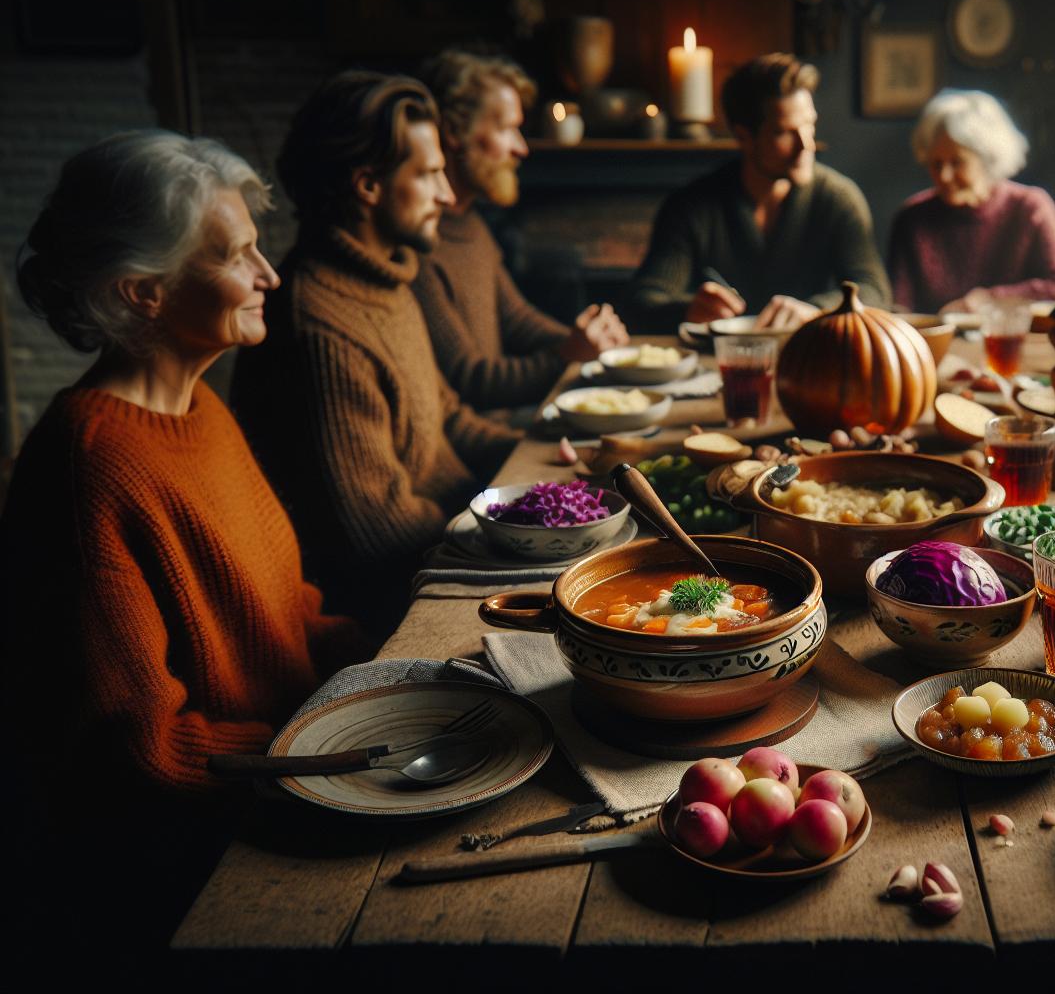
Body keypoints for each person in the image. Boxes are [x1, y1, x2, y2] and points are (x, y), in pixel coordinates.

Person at [3, 131, 373, 954]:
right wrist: (329, 751)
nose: (269, 275)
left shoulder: (202, 408)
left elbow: (287, 612)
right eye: (238, 255)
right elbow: (143, 751)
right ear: (144, 292)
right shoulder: (88, 462)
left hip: (298, 765)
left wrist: (395, 667)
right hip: (200, 860)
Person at [232, 71, 519, 634]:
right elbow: (378, 532)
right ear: (367, 185)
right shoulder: (318, 321)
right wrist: (509, 521)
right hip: (390, 609)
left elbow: (448, 417)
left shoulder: (386, 277)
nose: (448, 195)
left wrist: (547, 473)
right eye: (429, 174)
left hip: (447, 546)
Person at [414, 48, 629, 411]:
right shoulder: (420, 244)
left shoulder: (471, 224)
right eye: (506, 129)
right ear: (452, 131)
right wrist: (567, 354)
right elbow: (470, 379)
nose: (522, 148)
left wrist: (593, 342)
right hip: (484, 437)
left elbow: (518, 319)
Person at [625, 52, 891, 333]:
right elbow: (641, 302)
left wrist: (815, 311)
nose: (806, 145)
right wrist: (689, 309)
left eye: (809, 125)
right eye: (784, 132)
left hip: (809, 353)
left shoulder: (838, 198)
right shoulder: (692, 206)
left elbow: (874, 291)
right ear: (744, 137)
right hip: (718, 356)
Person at [887, 89, 1055, 316]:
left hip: (1018, 337)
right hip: (935, 338)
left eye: (957, 162)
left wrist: (990, 299)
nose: (944, 176)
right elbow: (900, 308)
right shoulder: (912, 218)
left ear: (988, 158)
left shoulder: (1029, 207)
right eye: (936, 163)